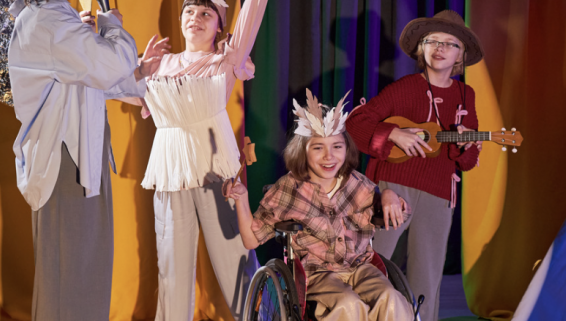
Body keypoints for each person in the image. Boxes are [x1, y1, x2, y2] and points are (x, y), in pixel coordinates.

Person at [7, 1, 167, 320]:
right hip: (65, 161)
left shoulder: (55, 20)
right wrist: (110, 24)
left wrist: (138, 71)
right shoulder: (49, 21)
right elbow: (107, 64)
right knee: (70, 274)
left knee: (85, 269)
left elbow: (92, 78)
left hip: (80, 157)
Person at [223, 92, 414, 321]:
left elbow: (398, 212)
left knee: (391, 299)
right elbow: (251, 239)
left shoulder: (357, 184)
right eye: (318, 148)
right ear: (303, 150)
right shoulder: (289, 189)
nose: (328, 156)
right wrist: (241, 199)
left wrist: (390, 195)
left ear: (346, 148)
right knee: (348, 305)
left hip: (360, 268)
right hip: (317, 274)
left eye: (337, 147)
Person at [344, 10, 484, 321]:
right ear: (421, 48)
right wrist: (393, 132)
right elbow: (356, 124)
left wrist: (464, 146)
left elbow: (469, 160)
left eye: (450, 43)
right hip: (393, 187)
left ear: (461, 55)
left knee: (428, 273)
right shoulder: (404, 87)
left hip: (438, 192)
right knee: (372, 262)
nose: (440, 47)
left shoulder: (466, 95)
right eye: (432, 40)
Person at [134, 0, 267, 319]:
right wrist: (140, 71)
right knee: (171, 272)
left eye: (206, 13)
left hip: (215, 175)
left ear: (219, 24)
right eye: (189, 12)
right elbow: (109, 86)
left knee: (236, 264)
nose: (196, 18)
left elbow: (253, 10)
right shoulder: (157, 64)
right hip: (169, 173)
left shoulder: (225, 58)